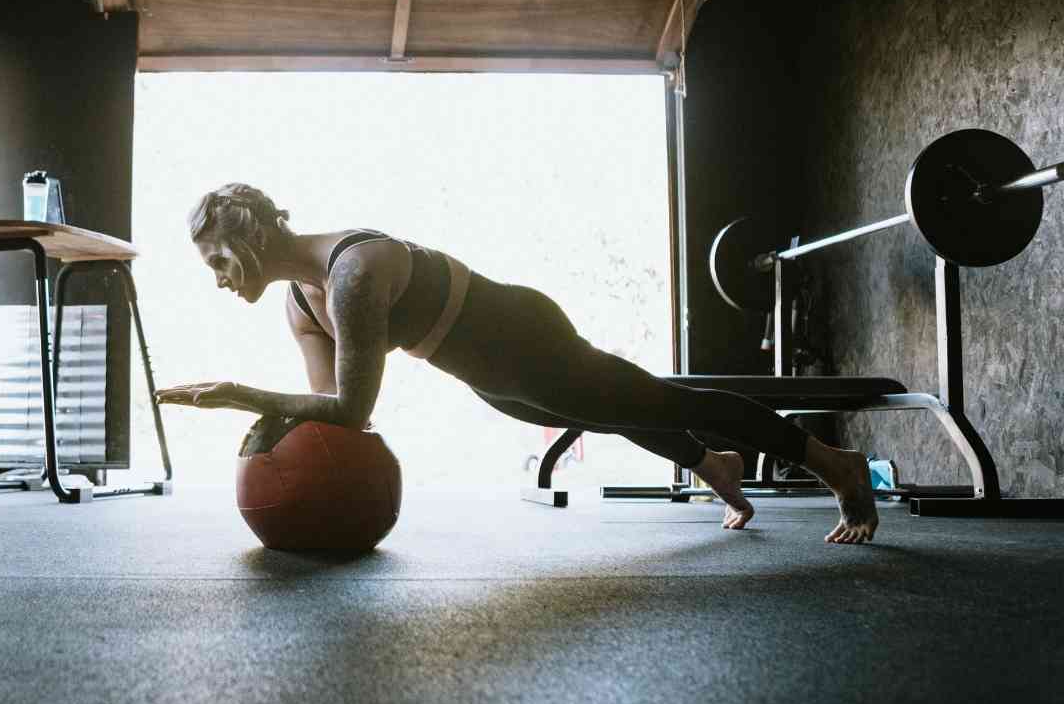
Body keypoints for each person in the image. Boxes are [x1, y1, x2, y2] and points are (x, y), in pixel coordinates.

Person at [154, 184, 878, 544]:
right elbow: (345, 414)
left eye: (218, 256)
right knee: (608, 409)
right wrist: (270, 409)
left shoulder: (352, 275)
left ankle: (830, 461)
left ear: (249, 233)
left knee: (655, 400)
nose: (217, 275)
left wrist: (236, 394)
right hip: (483, 373)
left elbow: (345, 406)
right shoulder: (300, 306)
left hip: (521, 336)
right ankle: (712, 464)